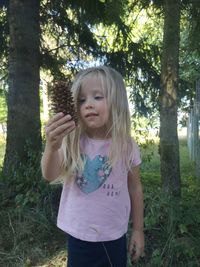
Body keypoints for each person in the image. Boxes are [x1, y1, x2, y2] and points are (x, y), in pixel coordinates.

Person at [41, 66, 144, 267]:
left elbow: (135, 188)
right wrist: (52, 148)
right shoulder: (71, 141)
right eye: (81, 100)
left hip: (114, 236)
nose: (88, 104)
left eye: (97, 97)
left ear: (117, 102)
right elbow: (49, 175)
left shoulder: (127, 146)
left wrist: (138, 230)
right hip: (78, 237)